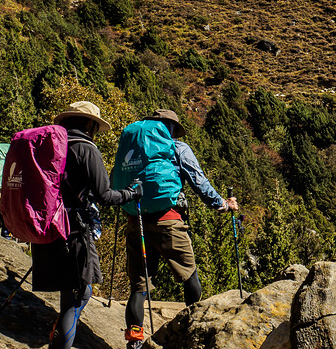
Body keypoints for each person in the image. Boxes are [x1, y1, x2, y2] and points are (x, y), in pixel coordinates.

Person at [117, 109, 238, 349]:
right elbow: (199, 182)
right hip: (168, 222)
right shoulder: (177, 147)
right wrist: (223, 205)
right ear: (171, 127)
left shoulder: (134, 144)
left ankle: (134, 341)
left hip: (136, 221)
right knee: (189, 275)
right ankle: (192, 327)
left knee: (139, 287)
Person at [30, 101, 142, 349]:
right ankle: (60, 343)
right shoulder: (86, 149)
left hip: (48, 225)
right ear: (90, 124)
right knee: (80, 292)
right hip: (75, 229)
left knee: (67, 291)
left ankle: (59, 337)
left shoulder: (51, 147)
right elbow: (104, 195)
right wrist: (131, 194)